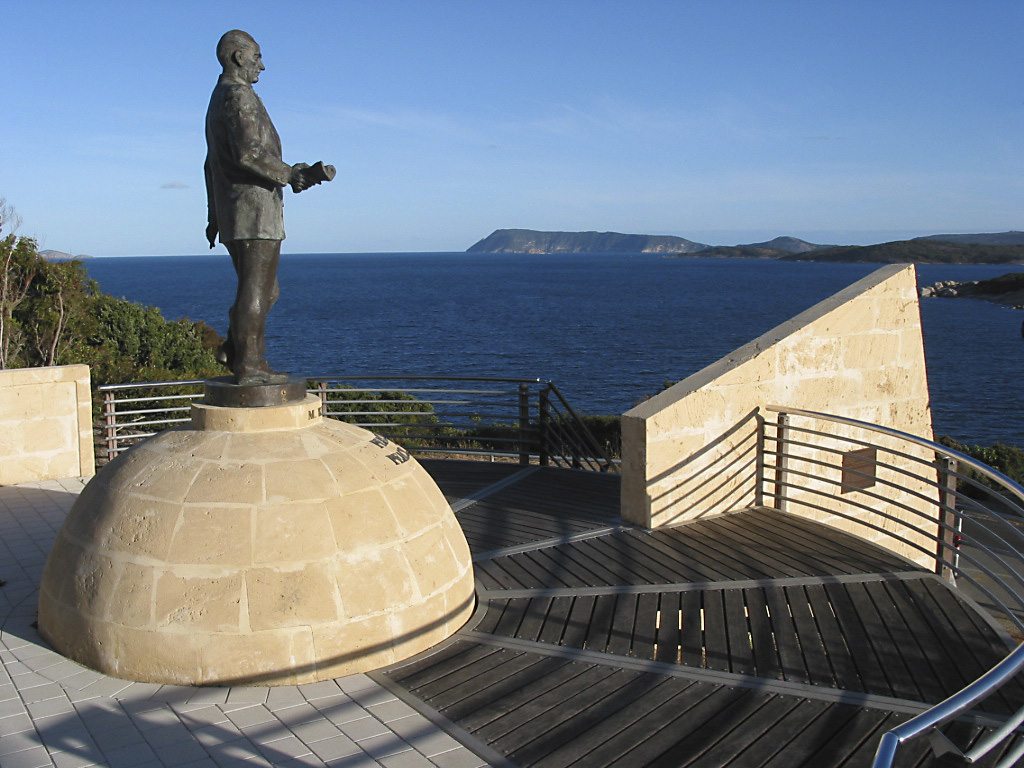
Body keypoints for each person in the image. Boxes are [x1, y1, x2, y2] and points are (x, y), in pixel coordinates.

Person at [204, 29, 314, 386]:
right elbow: (247, 153)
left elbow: (211, 163)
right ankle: (249, 364)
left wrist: (213, 213)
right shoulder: (239, 97)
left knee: (267, 290)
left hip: (234, 210)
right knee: (256, 290)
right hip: (253, 212)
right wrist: (290, 174)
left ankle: (236, 349)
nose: (262, 66)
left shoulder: (218, 98)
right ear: (238, 57)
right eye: (257, 57)